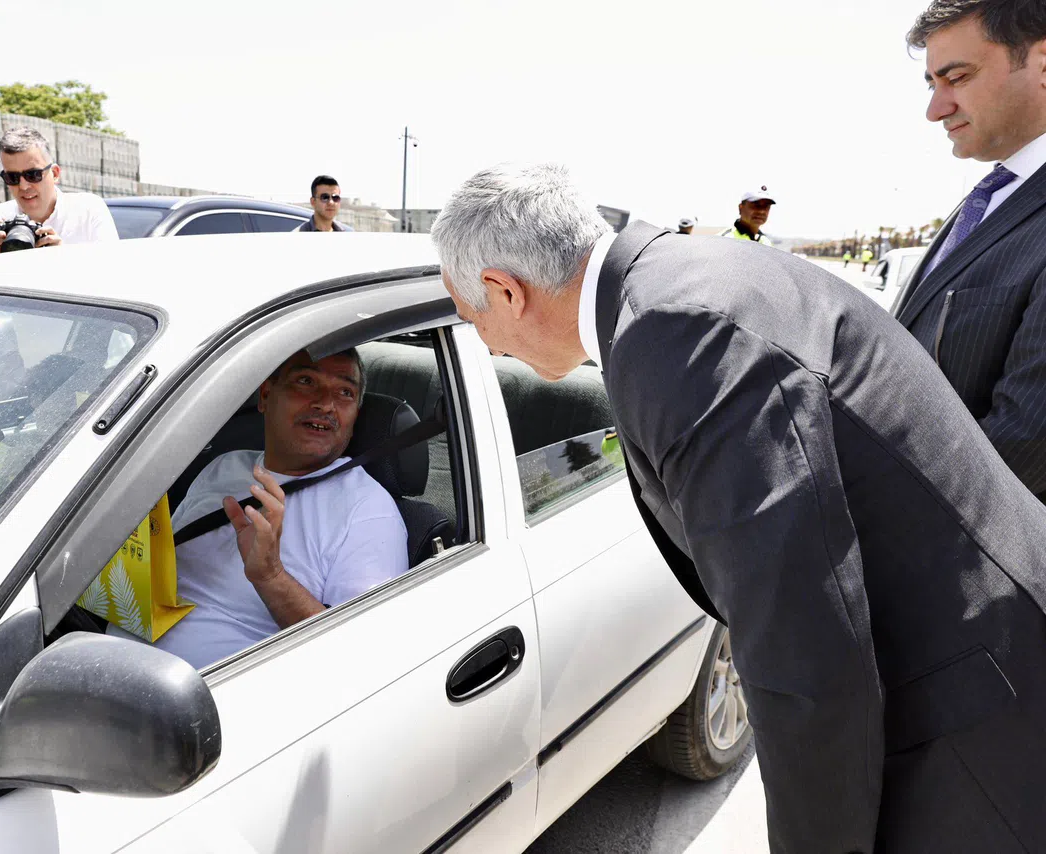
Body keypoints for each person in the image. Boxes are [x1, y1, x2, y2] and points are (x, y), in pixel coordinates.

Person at [431, 162, 1046, 853]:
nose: (483, 344)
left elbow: (804, 646)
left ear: (503, 291)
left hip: (974, 709)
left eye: (470, 316)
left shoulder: (675, 335)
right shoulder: (678, 278)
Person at [128, 348, 407, 669]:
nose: (326, 404)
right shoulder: (223, 466)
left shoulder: (368, 510)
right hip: (109, 659)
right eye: (306, 381)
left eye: (345, 392)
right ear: (265, 395)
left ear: (356, 415)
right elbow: (159, 576)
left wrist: (270, 576)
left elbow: (360, 661)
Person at [894, 0, 1046, 500]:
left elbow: (1026, 445)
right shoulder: (990, 198)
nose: (935, 110)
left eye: (956, 78)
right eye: (933, 85)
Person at [0, 127, 118, 255]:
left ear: (55, 174)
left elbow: (110, 270)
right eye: (12, 177)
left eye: (33, 175)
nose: (23, 186)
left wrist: (64, 257)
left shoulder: (88, 211)